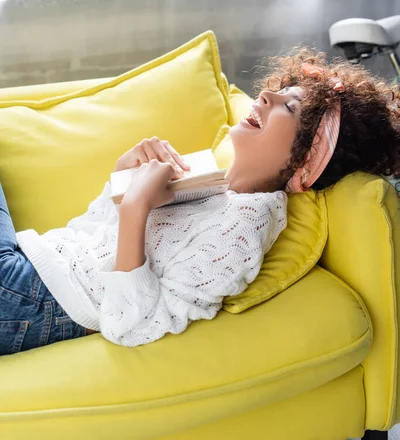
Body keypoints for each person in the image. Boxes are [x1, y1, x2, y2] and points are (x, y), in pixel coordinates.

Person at [0, 48, 399, 355]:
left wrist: (136, 206)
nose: (264, 96)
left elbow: (131, 325)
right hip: (26, 263)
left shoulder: (243, 233)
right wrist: (124, 178)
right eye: (276, 91)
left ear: (304, 168)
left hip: (34, 300)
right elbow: (92, 237)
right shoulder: (216, 184)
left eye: (288, 107)